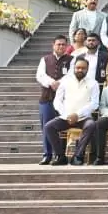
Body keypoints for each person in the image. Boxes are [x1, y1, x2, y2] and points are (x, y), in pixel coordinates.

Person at [43, 57, 100, 165]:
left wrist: (77, 115)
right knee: (49, 126)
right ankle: (60, 156)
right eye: (78, 67)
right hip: (66, 117)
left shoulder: (93, 83)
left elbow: (94, 103)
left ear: (87, 69)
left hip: (83, 118)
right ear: (74, 68)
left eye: (83, 68)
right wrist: (67, 115)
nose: (80, 70)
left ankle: (78, 156)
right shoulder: (65, 81)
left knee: (91, 125)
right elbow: (57, 101)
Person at [35, 35, 72, 165]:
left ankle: (60, 155)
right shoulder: (45, 59)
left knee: (62, 127)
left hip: (64, 99)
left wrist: (59, 83)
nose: (61, 47)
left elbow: (71, 75)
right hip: (47, 97)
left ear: (67, 46)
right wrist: (51, 82)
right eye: (58, 44)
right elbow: (40, 75)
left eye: (63, 44)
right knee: (46, 126)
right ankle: (47, 154)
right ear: (53, 45)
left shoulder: (71, 59)